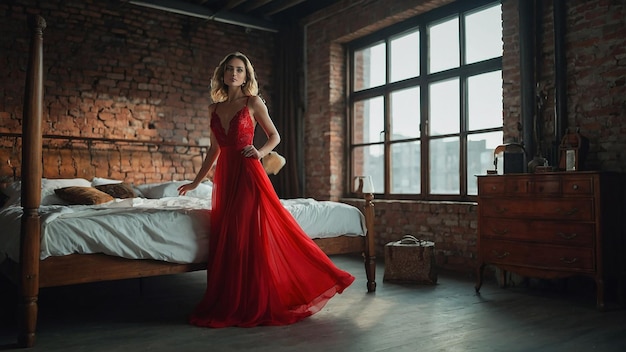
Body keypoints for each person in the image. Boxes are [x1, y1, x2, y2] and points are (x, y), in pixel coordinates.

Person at [178, 52, 355, 328]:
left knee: (245, 232)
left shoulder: (253, 102)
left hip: (249, 173)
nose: (234, 74)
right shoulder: (214, 109)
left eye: (239, 70)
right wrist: (197, 182)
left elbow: (275, 136)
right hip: (226, 176)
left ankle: (260, 297)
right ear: (222, 75)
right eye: (229, 69)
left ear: (246, 75)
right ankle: (234, 298)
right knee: (229, 235)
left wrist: (259, 153)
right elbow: (214, 150)